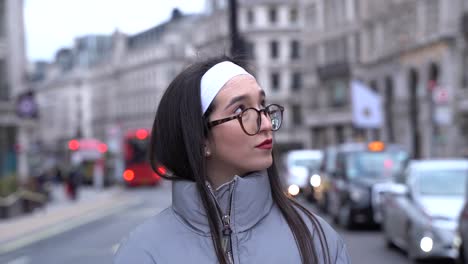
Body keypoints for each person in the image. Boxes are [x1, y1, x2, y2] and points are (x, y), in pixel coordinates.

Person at [114, 56, 350, 264]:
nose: (266, 123)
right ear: (201, 138)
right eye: (240, 111)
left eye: (262, 106)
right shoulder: (143, 252)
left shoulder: (318, 238)